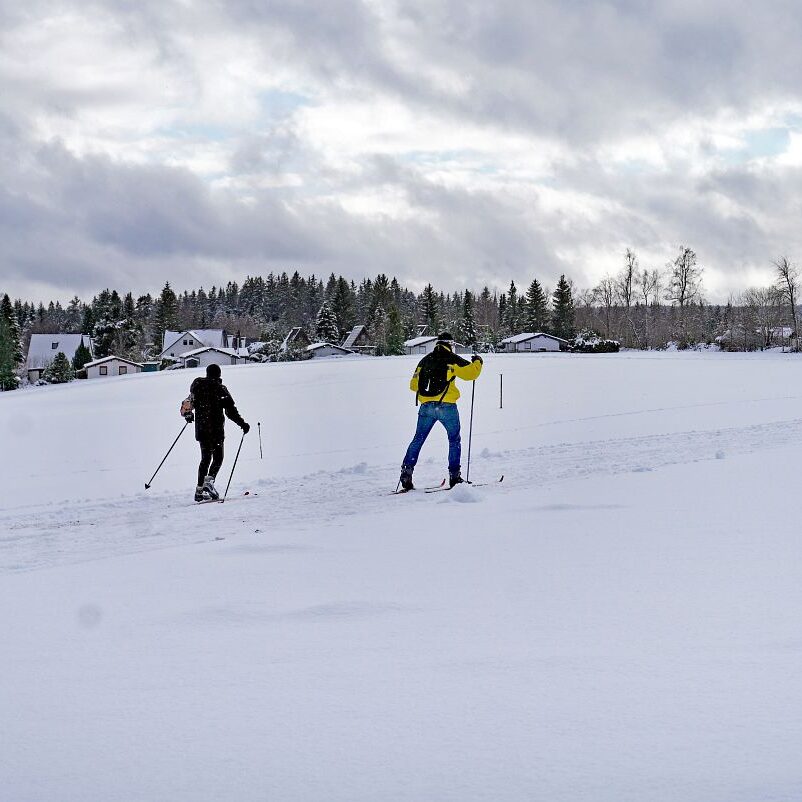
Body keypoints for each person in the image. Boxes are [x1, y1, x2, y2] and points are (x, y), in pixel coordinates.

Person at [399, 332, 483, 490]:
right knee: (454, 439)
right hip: (447, 406)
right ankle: (454, 476)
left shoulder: (424, 360)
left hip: (426, 407)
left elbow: (413, 385)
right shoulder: (452, 359)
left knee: (418, 439)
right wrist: (478, 361)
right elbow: (472, 374)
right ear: (450, 344)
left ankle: (406, 473)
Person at [181, 363, 250, 501]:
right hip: (216, 430)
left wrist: (188, 414)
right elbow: (231, 412)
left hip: (202, 430)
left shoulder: (198, 387)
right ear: (219, 374)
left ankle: (199, 491)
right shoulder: (220, 389)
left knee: (205, 459)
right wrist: (242, 424)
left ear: (207, 373)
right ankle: (209, 482)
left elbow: (187, 403)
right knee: (218, 457)